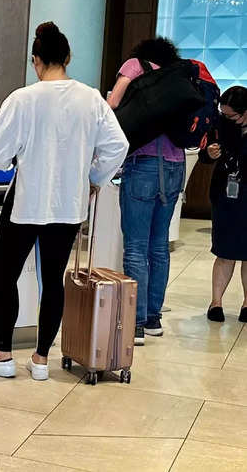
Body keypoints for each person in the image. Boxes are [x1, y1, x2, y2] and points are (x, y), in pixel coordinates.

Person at [0, 22, 129, 381]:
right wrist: (94, 179)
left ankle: (4, 356)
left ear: (35, 60)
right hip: (69, 205)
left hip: (26, 203)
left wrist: (16, 157)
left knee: (5, 277)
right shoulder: (91, 99)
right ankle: (41, 361)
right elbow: (118, 146)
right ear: (68, 57)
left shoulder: (22, 99)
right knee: (53, 279)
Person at [107, 37, 185, 346]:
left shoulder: (134, 66)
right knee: (159, 245)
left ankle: (135, 323)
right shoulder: (176, 74)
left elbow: (113, 103)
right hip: (176, 165)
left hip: (143, 164)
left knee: (135, 246)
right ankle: (153, 318)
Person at [199, 86, 247, 323]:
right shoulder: (220, 123)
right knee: (224, 252)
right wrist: (210, 153)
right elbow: (203, 155)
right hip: (225, 196)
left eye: (232, 115)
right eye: (224, 113)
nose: (226, 118)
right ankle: (216, 302)